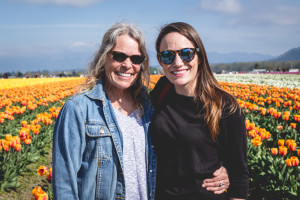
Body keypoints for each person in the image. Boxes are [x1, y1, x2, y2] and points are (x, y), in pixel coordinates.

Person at [52, 22, 229, 200]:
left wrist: (222, 170)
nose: (127, 65)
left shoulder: (149, 104)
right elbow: (64, 184)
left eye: (136, 59)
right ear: (104, 57)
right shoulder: (79, 109)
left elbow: (181, 147)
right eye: (119, 56)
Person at [150, 22, 249, 200]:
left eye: (186, 54)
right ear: (160, 61)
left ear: (199, 56)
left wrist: (226, 170)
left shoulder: (225, 106)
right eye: (167, 56)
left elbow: (239, 176)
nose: (177, 62)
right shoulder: (161, 91)